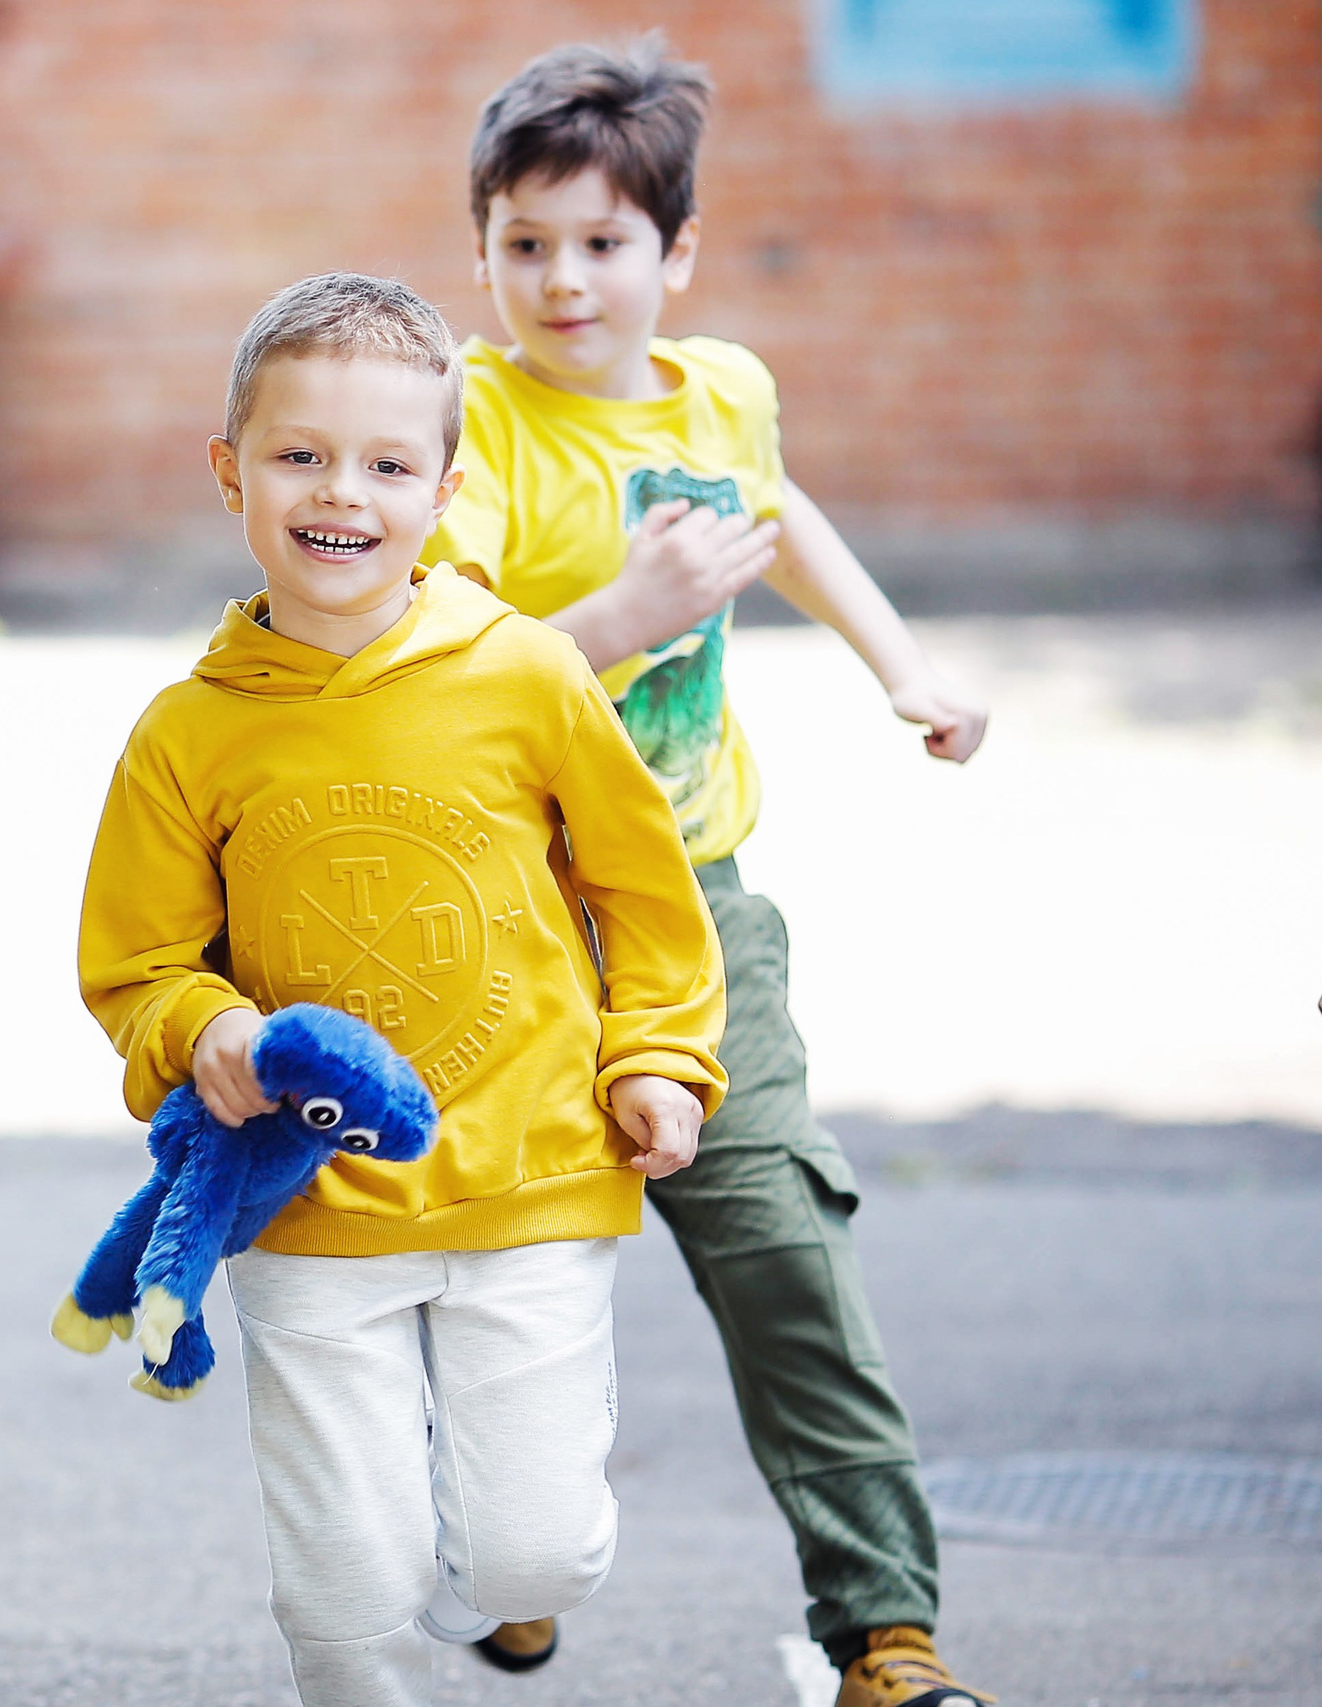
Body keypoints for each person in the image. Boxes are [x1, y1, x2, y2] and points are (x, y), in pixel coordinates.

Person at [421, 39, 995, 1707]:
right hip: (510, 927)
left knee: (784, 1256)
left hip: (694, 911)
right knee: (510, 1274)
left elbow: (778, 506)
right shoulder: (467, 427)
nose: (561, 280)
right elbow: (444, 691)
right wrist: (618, 617)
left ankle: (888, 1635)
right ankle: (512, 1562)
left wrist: (902, 666)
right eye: (523, 243)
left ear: (675, 253)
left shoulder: (722, 389)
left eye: (602, 243)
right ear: (483, 254)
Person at [77, 272, 728, 1707]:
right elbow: (136, 964)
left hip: (532, 1175)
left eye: (386, 462)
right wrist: (209, 1031)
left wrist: (659, 1057)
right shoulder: (186, 734)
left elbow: (646, 892)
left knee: (532, 1564)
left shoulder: (532, 674)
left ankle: (481, 1509)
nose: (342, 493)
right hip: (310, 1204)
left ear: (445, 485)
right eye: (299, 454)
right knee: (346, 1589)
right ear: (230, 468)